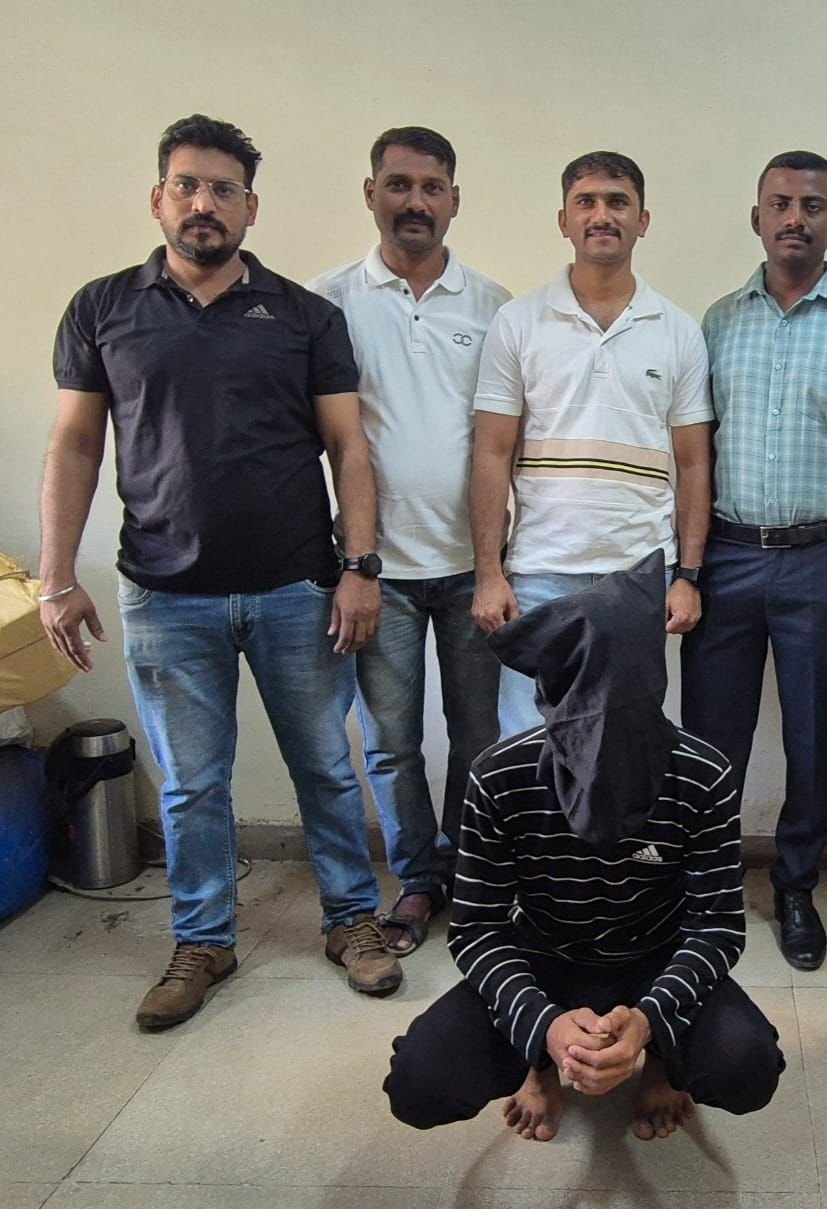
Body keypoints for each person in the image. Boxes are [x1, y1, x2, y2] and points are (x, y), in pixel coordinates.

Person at [40, 114, 401, 1029]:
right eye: (188, 185)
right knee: (192, 783)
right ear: (158, 197)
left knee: (325, 766)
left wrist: (361, 566)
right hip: (164, 592)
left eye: (224, 189)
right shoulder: (103, 309)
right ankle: (204, 940)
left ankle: (352, 921)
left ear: (251, 207)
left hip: (295, 588)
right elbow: (75, 444)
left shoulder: (305, 317)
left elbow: (349, 448)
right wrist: (55, 575)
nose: (204, 203)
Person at [383, 551, 784, 1140]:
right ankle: (539, 1067)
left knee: (746, 1068)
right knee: (421, 1083)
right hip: (544, 956)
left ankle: (661, 1064)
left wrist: (648, 1022)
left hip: (655, 956)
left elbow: (716, 926)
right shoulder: (501, 775)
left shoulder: (703, 775)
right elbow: (477, 928)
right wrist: (544, 1027)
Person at [681, 150, 827, 970]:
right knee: (711, 737)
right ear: (757, 217)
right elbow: (693, 457)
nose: (795, 218)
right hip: (728, 558)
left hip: (823, 562)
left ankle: (797, 885)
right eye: (780, 203)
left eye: (812, 206)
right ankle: (707, 886)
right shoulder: (716, 323)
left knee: (813, 738)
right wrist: (688, 569)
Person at [309, 126, 510, 954]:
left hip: (473, 568)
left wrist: (499, 564)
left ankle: (475, 876)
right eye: (398, 184)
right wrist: (349, 563)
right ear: (371, 194)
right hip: (376, 572)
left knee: (478, 738)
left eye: (432, 187)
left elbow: (507, 444)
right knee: (390, 741)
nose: (415, 202)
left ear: (454, 199)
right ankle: (419, 879)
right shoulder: (327, 302)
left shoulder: (495, 306)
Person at [469, 151, 713, 733]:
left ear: (642, 220)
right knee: (530, 740)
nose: (602, 215)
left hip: (637, 575)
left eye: (617, 202)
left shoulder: (678, 331)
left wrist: (687, 575)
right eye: (586, 202)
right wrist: (489, 573)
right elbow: (491, 454)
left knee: (622, 739)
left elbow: (694, 464)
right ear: (564, 220)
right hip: (540, 572)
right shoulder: (518, 322)